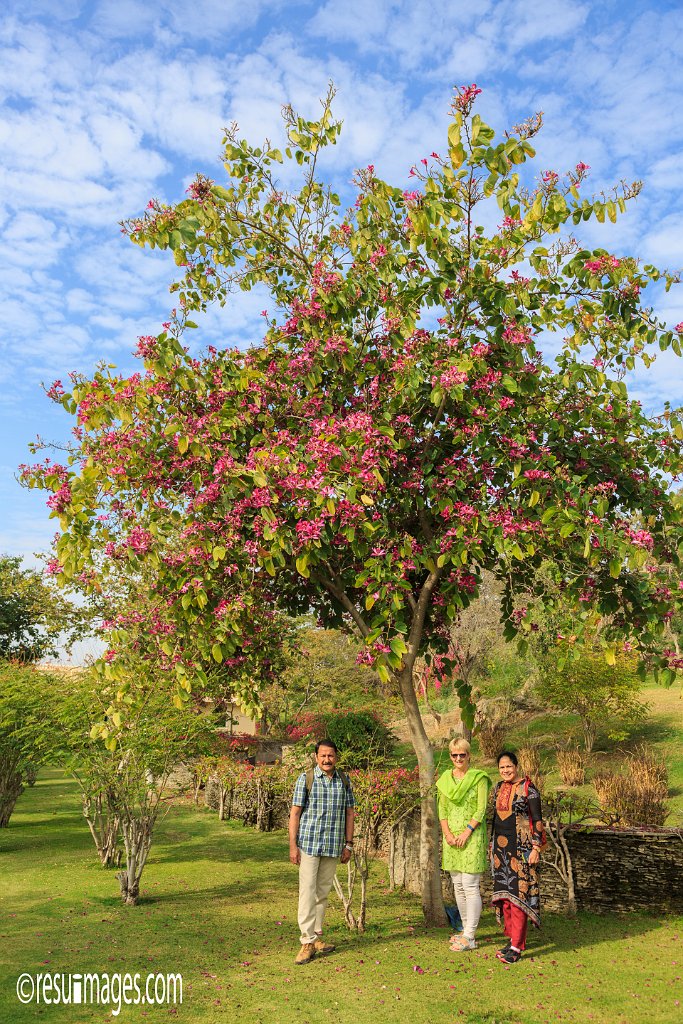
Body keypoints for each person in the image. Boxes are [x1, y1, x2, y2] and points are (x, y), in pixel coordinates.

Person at [289, 738, 356, 965]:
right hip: (308, 844)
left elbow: (350, 813)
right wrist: (292, 846)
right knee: (307, 892)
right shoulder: (306, 779)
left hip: (332, 846)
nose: (327, 760)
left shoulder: (344, 781)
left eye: (331, 755)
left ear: (336, 757)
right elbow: (295, 814)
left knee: (322, 893)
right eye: (323, 756)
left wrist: (349, 844)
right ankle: (306, 941)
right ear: (316, 757)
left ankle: (316, 937)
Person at [437, 737, 492, 951]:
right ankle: (464, 930)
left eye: (462, 754)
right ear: (450, 756)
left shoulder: (479, 778)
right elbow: (442, 810)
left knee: (470, 886)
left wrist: (466, 832)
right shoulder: (444, 780)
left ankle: (470, 935)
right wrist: (448, 834)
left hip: (472, 837)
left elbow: (481, 809)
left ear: (469, 755)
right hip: (451, 838)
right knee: (458, 886)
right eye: (454, 755)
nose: (458, 758)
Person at [490, 750, 544, 964]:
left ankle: (517, 947)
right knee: (505, 898)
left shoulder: (529, 789)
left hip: (522, 850)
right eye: (502, 767)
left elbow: (538, 820)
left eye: (509, 767)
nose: (505, 771)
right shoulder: (498, 788)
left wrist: (536, 848)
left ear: (516, 766)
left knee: (519, 898)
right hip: (500, 851)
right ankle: (512, 939)